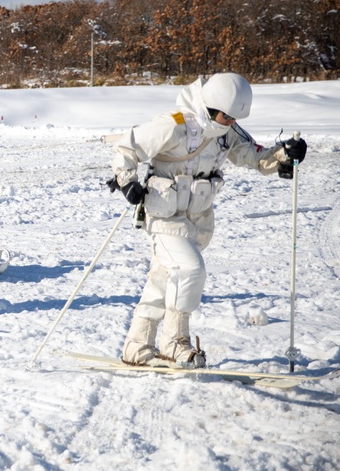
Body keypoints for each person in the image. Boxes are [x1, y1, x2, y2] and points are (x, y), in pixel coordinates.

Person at [109, 72, 307, 368]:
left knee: (164, 282)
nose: (230, 123)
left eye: (233, 119)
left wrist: (283, 156)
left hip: (198, 220)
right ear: (212, 107)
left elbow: (253, 156)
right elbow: (127, 147)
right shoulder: (174, 124)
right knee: (190, 271)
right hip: (164, 217)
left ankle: (137, 347)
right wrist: (126, 181)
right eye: (227, 117)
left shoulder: (226, 131)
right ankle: (175, 344)